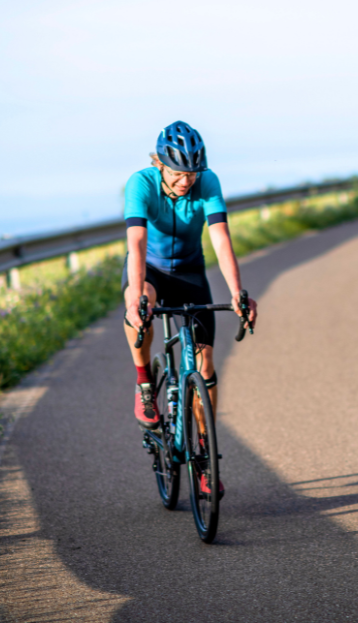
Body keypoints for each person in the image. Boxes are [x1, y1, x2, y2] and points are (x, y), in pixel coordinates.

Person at [122, 121, 258, 494]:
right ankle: (145, 383)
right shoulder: (141, 184)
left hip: (190, 272)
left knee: (205, 364)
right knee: (138, 306)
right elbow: (135, 244)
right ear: (160, 164)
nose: (187, 181)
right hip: (148, 269)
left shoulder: (208, 182)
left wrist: (238, 292)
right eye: (179, 173)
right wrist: (137, 296)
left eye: (193, 173)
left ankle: (204, 453)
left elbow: (220, 237)